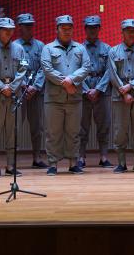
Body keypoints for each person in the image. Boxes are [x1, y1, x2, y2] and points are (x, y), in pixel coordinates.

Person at [40, 14, 89, 175]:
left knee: (73, 132)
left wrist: (71, 80)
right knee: (53, 133)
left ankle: (73, 163)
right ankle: (53, 164)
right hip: (54, 99)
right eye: (63, 28)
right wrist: (65, 83)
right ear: (57, 29)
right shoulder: (48, 48)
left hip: (74, 98)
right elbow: (47, 69)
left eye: (69, 28)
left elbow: (86, 67)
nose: (67, 31)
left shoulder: (80, 48)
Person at [0, 16, 27, 177]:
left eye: (11, 30)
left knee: (12, 133)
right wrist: (2, 88)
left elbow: (23, 69)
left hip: (13, 96)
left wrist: (12, 87)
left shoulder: (20, 49)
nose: (8, 32)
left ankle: (10, 166)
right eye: (5, 30)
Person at [107, 18, 134, 173]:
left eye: (133, 31)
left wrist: (131, 87)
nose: (131, 33)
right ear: (122, 32)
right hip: (120, 97)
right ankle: (121, 163)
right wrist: (124, 92)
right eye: (128, 31)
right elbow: (112, 74)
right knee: (120, 130)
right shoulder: (113, 52)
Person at [15, 13, 48, 168]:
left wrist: (35, 86)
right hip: (19, 91)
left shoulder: (41, 46)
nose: (29, 28)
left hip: (36, 92)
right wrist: (23, 84)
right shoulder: (14, 46)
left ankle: (37, 158)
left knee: (37, 127)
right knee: (15, 126)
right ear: (19, 27)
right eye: (26, 25)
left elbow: (44, 68)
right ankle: (12, 159)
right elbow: (13, 68)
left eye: (31, 25)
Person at [80, 14, 112, 168]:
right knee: (81, 127)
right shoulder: (78, 49)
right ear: (85, 29)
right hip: (83, 92)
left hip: (102, 91)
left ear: (99, 29)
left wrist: (98, 89)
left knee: (104, 126)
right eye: (89, 28)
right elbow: (76, 70)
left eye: (95, 27)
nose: (92, 30)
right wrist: (87, 90)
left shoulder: (107, 49)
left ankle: (103, 157)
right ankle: (81, 157)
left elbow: (110, 71)